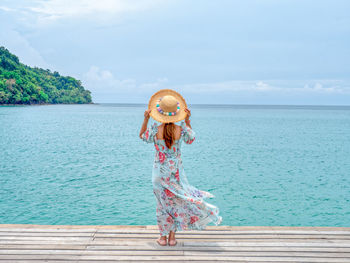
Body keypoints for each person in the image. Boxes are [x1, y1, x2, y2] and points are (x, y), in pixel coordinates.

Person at [139, 89, 222, 246]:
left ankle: (162, 238)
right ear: (176, 112)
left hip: (158, 175)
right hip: (174, 173)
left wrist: (145, 119)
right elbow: (191, 138)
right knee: (175, 204)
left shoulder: (155, 129)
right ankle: (172, 238)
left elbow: (142, 136)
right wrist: (188, 120)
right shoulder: (181, 128)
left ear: (160, 112)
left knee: (162, 205)